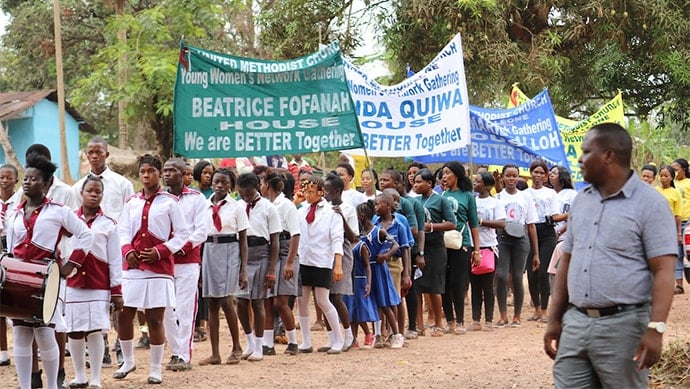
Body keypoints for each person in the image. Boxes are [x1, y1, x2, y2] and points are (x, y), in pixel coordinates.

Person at [544, 123, 677, 388]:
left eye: (586, 152)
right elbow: (567, 262)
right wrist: (554, 319)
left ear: (608, 155)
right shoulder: (581, 201)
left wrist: (656, 328)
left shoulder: (650, 204)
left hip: (624, 327)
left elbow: (663, 270)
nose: (580, 159)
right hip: (576, 324)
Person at [6, 153, 94, 389]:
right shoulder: (14, 212)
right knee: (22, 334)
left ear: (46, 184)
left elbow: (86, 235)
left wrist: (71, 265)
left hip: (46, 280)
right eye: (25, 178)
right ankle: (25, 386)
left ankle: (53, 385)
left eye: (33, 179)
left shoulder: (58, 210)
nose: (27, 182)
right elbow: (11, 249)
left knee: (45, 332)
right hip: (19, 280)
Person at [113, 154, 190, 385]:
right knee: (124, 315)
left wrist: (162, 251)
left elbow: (183, 234)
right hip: (133, 266)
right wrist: (127, 250)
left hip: (159, 267)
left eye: (151, 171)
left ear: (159, 174)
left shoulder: (169, 202)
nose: (146, 176)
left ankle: (156, 368)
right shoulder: (131, 202)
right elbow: (123, 230)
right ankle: (128, 360)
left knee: (155, 319)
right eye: (142, 172)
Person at [72, 136, 135, 368]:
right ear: (86, 155)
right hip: (89, 252)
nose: (95, 156)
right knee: (92, 303)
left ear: (107, 154)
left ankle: (121, 347)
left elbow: (130, 216)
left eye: (99, 152)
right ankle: (102, 350)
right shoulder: (77, 187)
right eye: (91, 152)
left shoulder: (121, 183)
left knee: (117, 300)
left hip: (116, 248)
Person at [65, 176, 123, 388]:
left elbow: (116, 259)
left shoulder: (109, 224)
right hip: (72, 283)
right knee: (73, 329)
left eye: (98, 192)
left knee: (95, 329)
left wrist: (117, 290)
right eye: (89, 190)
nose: (93, 194)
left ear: (102, 195)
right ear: (81, 193)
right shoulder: (69, 219)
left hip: (98, 283)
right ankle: (80, 375)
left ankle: (96, 377)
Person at [198, 168, 248, 366]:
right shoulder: (204, 206)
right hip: (210, 249)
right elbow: (201, 237)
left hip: (230, 250)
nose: (219, 185)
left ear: (231, 186)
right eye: (216, 181)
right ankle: (215, 353)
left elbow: (243, 240)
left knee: (227, 301)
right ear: (212, 183)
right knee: (212, 303)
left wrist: (243, 269)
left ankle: (236, 347)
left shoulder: (236, 207)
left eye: (224, 183)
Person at [161, 158, 208, 371]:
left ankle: (183, 355)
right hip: (163, 261)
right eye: (165, 170)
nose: (167, 174)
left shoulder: (196, 198)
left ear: (183, 173)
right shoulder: (159, 199)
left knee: (185, 308)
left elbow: (201, 230)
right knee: (166, 309)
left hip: (187, 260)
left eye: (173, 170)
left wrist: (183, 246)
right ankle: (174, 351)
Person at [295, 176, 345, 354]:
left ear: (321, 192)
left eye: (310, 192)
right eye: (305, 191)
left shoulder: (331, 213)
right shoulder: (301, 211)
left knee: (323, 300)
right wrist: (295, 203)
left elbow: (337, 239)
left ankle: (338, 339)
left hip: (322, 260)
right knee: (302, 300)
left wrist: (338, 264)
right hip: (304, 259)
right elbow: (289, 224)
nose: (307, 195)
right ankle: (306, 341)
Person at [236, 173, 281, 362]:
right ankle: (249, 340)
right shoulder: (238, 206)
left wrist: (272, 269)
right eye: (242, 194)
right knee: (240, 301)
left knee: (258, 301)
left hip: (262, 253)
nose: (246, 198)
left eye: (249, 194)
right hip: (242, 254)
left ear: (257, 188)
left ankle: (260, 344)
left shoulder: (269, 208)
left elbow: (275, 241)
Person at [413, 169, 457, 336]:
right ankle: (418, 325)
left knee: (434, 287)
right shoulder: (415, 201)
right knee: (417, 287)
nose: (415, 185)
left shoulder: (440, 200)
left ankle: (439, 323)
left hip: (436, 248)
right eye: (414, 182)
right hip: (419, 248)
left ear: (429, 183)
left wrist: (430, 227)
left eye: (419, 182)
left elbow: (452, 223)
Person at [260, 172, 301, 355]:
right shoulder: (267, 205)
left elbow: (295, 234)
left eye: (262, 183)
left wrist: (290, 262)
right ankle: (268, 344)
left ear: (267, 185)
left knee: (281, 301)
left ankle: (293, 342)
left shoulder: (286, 205)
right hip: (271, 251)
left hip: (285, 251)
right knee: (268, 301)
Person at [495, 164, 539, 328]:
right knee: (501, 275)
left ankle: (517, 316)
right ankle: (502, 315)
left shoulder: (525, 197)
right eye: (508, 176)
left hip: (521, 239)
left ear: (519, 177)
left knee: (518, 277)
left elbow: (531, 225)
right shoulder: (498, 198)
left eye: (515, 176)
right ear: (503, 177)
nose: (512, 179)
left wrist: (536, 253)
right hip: (502, 239)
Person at [440, 162, 481, 334]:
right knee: (444, 283)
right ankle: (449, 321)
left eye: (447, 173)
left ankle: (461, 321)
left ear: (456, 174)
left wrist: (477, 250)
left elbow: (474, 223)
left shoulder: (468, 196)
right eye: (442, 173)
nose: (444, 176)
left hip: (462, 243)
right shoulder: (441, 195)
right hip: (443, 244)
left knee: (458, 283)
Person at [321, 173, 358, 352]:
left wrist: (341, 217)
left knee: (336, 296)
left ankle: (348, 335)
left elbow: (353, 237)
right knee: (324, 297)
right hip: (325, 251)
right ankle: (332, 337)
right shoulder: (324, 207)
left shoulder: (349, 208)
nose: (324, 194)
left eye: (327, 190)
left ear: (336, 190)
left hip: (342, 251)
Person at [468, 172, 505, 331]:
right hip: (472, 247)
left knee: (488, 286)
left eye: (478, 181)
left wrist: (481, 221)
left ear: (487, 185)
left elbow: (502, 223)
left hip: (489, 247)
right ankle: (476, 320)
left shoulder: (495, 203)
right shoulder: (472, 201)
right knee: (475, 286)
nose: (475, 183)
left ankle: (489, 320)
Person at [525, 160, 561, 323]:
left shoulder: (551, 194)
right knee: (531, 275)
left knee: (542, 273)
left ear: (545, 175)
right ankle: (537, 309)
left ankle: (546, 310)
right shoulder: (524, 194)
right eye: (535, 172)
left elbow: (555, 215)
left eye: (541, 173)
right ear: (530, 173)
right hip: (528, 233)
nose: (538, 176)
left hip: (547, 233)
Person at [0, 163, 21, 367]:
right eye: (1, 177)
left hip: (15, 257)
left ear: (16, 180)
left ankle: (21, 348)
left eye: (8, 177)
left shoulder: (21, 202)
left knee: (15, 302)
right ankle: (3, 351)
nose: (4, 180)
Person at [656, 165, 684, 294]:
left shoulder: (675, 192)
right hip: (657, 228)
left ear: (672, 177)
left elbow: (678, 215)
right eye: (661, 175)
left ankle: (679, 285)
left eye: (666, 176)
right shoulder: (655, 191)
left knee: (675, 256)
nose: (663, 178)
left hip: (671, 229)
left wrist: (678, 233)